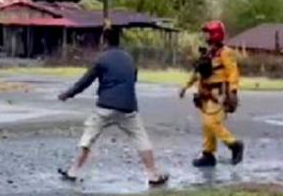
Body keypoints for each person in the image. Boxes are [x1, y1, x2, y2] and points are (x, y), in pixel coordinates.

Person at [57, 29, 169, 186]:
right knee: (141, 138)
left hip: (105, 106)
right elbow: (133, 77)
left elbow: (85, 81)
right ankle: (153, 175)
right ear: (119, 41)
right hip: (128, 107)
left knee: (89, 136)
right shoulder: (129, 58)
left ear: (104, 41)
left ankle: (73, 171)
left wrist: (67, 94)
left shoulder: (102, 59)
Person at [182, 21, 245, 167]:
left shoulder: (226, 52)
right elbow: (199, 73)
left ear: (215, 34)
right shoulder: (208, 53)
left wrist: (233, 91)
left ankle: (234, 144)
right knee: (206, 125)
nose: (206, 36)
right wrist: (186, 86)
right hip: (206, 93)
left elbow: (233, 72)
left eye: (208, 33)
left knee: (212, 122)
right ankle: (208, 154)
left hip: (219, 94)